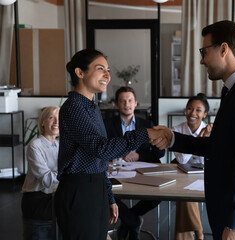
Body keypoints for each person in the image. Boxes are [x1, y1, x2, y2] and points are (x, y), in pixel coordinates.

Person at [154, 20, 235, 240]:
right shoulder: (233, 90)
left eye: (204, 51)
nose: (201, 60)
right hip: (230, 213)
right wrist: (172, 139)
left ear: (223, 49)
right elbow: (217, 146)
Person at [54, 49, 169, 240]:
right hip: (79, 191)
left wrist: (108, 196)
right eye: (100, 69)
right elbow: (102, 149)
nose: (107, 75)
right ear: (80, 73)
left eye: (108, 69)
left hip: (96, 186)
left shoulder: (91, 107)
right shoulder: (74, 107)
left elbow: (98, 161)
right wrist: (145, 133)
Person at [104, 86, 164, 240]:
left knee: (159, 194)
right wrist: (120, 153)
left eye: (130, 100)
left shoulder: (147, 124)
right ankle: (132, 220)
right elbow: (102, 150)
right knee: (105, 192)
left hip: (142, 171)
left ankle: (130, 220)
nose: (127, 104)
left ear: (136, 103)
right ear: (117, 104)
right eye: (122, 101)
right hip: (116, 170)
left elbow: (159, 153)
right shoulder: (107, 125)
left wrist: (139, 155)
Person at [172, 93, 212, 240]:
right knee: (185, 196)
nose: (193, 113)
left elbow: (209, 159)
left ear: (205, 114)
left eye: (198, 110)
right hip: (183, 174)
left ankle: (192, 233)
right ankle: (199, 232)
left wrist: (205, 139)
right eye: (189, 108)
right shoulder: (176, 130)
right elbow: (182, 160)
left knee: (185, 197)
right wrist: (199, 141)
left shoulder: (212, 131)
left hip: (206, 175)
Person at [21, 106, 60, 239]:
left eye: (59, 118)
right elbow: (47, 180)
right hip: (37, 202)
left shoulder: (60, 145)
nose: (56, 122)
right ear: (43, 122)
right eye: (51, 118)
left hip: (56, 200)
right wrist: (68, 169)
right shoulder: (35, 145)